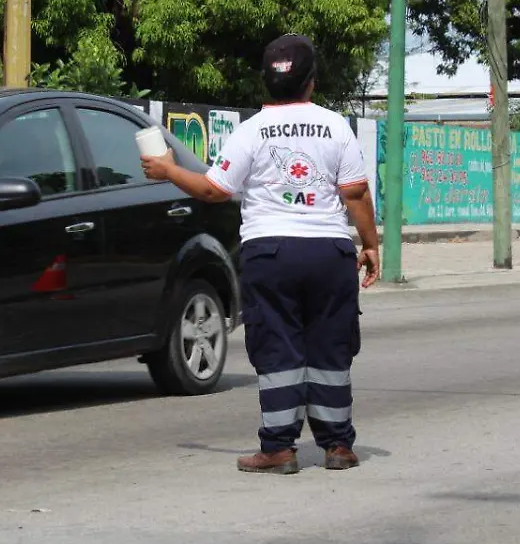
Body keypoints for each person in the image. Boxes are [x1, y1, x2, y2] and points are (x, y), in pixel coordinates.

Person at [141, 33, 380, 475]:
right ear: (311, 81)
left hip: (269, 253)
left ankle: (279, 448)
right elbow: (356, 192)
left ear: (266, 82)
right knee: (330, 346)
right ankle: (338, 445)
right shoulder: (335, 126)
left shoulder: (250, 131)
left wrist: (168, 170)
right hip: (328, 252)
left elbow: (215, 189)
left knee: (277, 349)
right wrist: (369, 244)